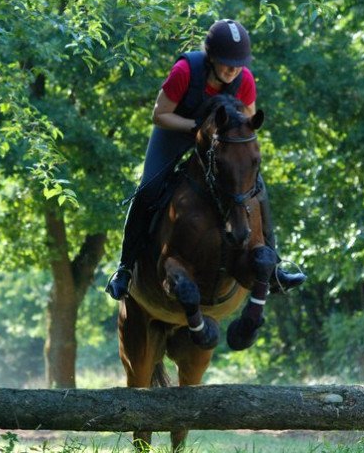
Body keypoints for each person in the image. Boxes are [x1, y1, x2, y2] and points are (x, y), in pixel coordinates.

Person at [106, 19, 306, 300]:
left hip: (223, 140)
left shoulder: (244, 79)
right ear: (211, 57)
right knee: (149, 187)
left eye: (238, 63)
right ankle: (125, 268)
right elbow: (159, 114)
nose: (232, 69)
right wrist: (197, 128)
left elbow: (247, 123)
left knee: (257, 189)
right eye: (226, 62)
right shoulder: (185, 71)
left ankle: (274, 265)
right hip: (178, 129)